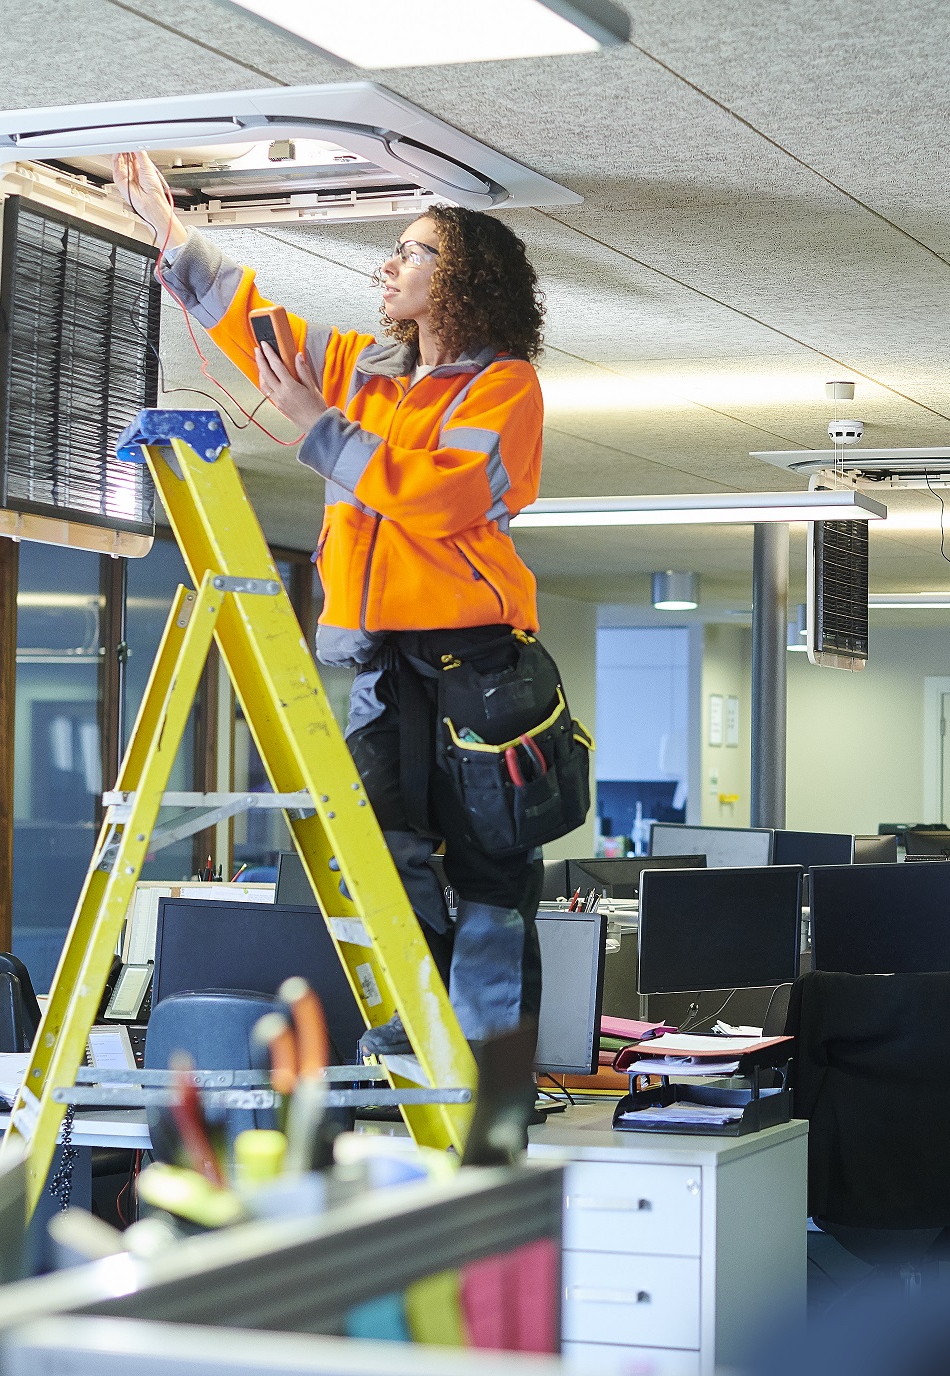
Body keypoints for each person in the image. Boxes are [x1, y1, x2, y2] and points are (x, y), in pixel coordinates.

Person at [112, 151, 574, 1058]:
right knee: (387, 858)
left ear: (463, 279)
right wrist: (170, 233)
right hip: (380, 663)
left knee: (488, 883)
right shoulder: (368, 371)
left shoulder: (503, 386)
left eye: (411, 250)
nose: (388, 265)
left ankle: (491, 1088)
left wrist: (319, 431)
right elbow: (261, 332)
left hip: (477, 665)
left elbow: (443, 498)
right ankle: (424, 1028)